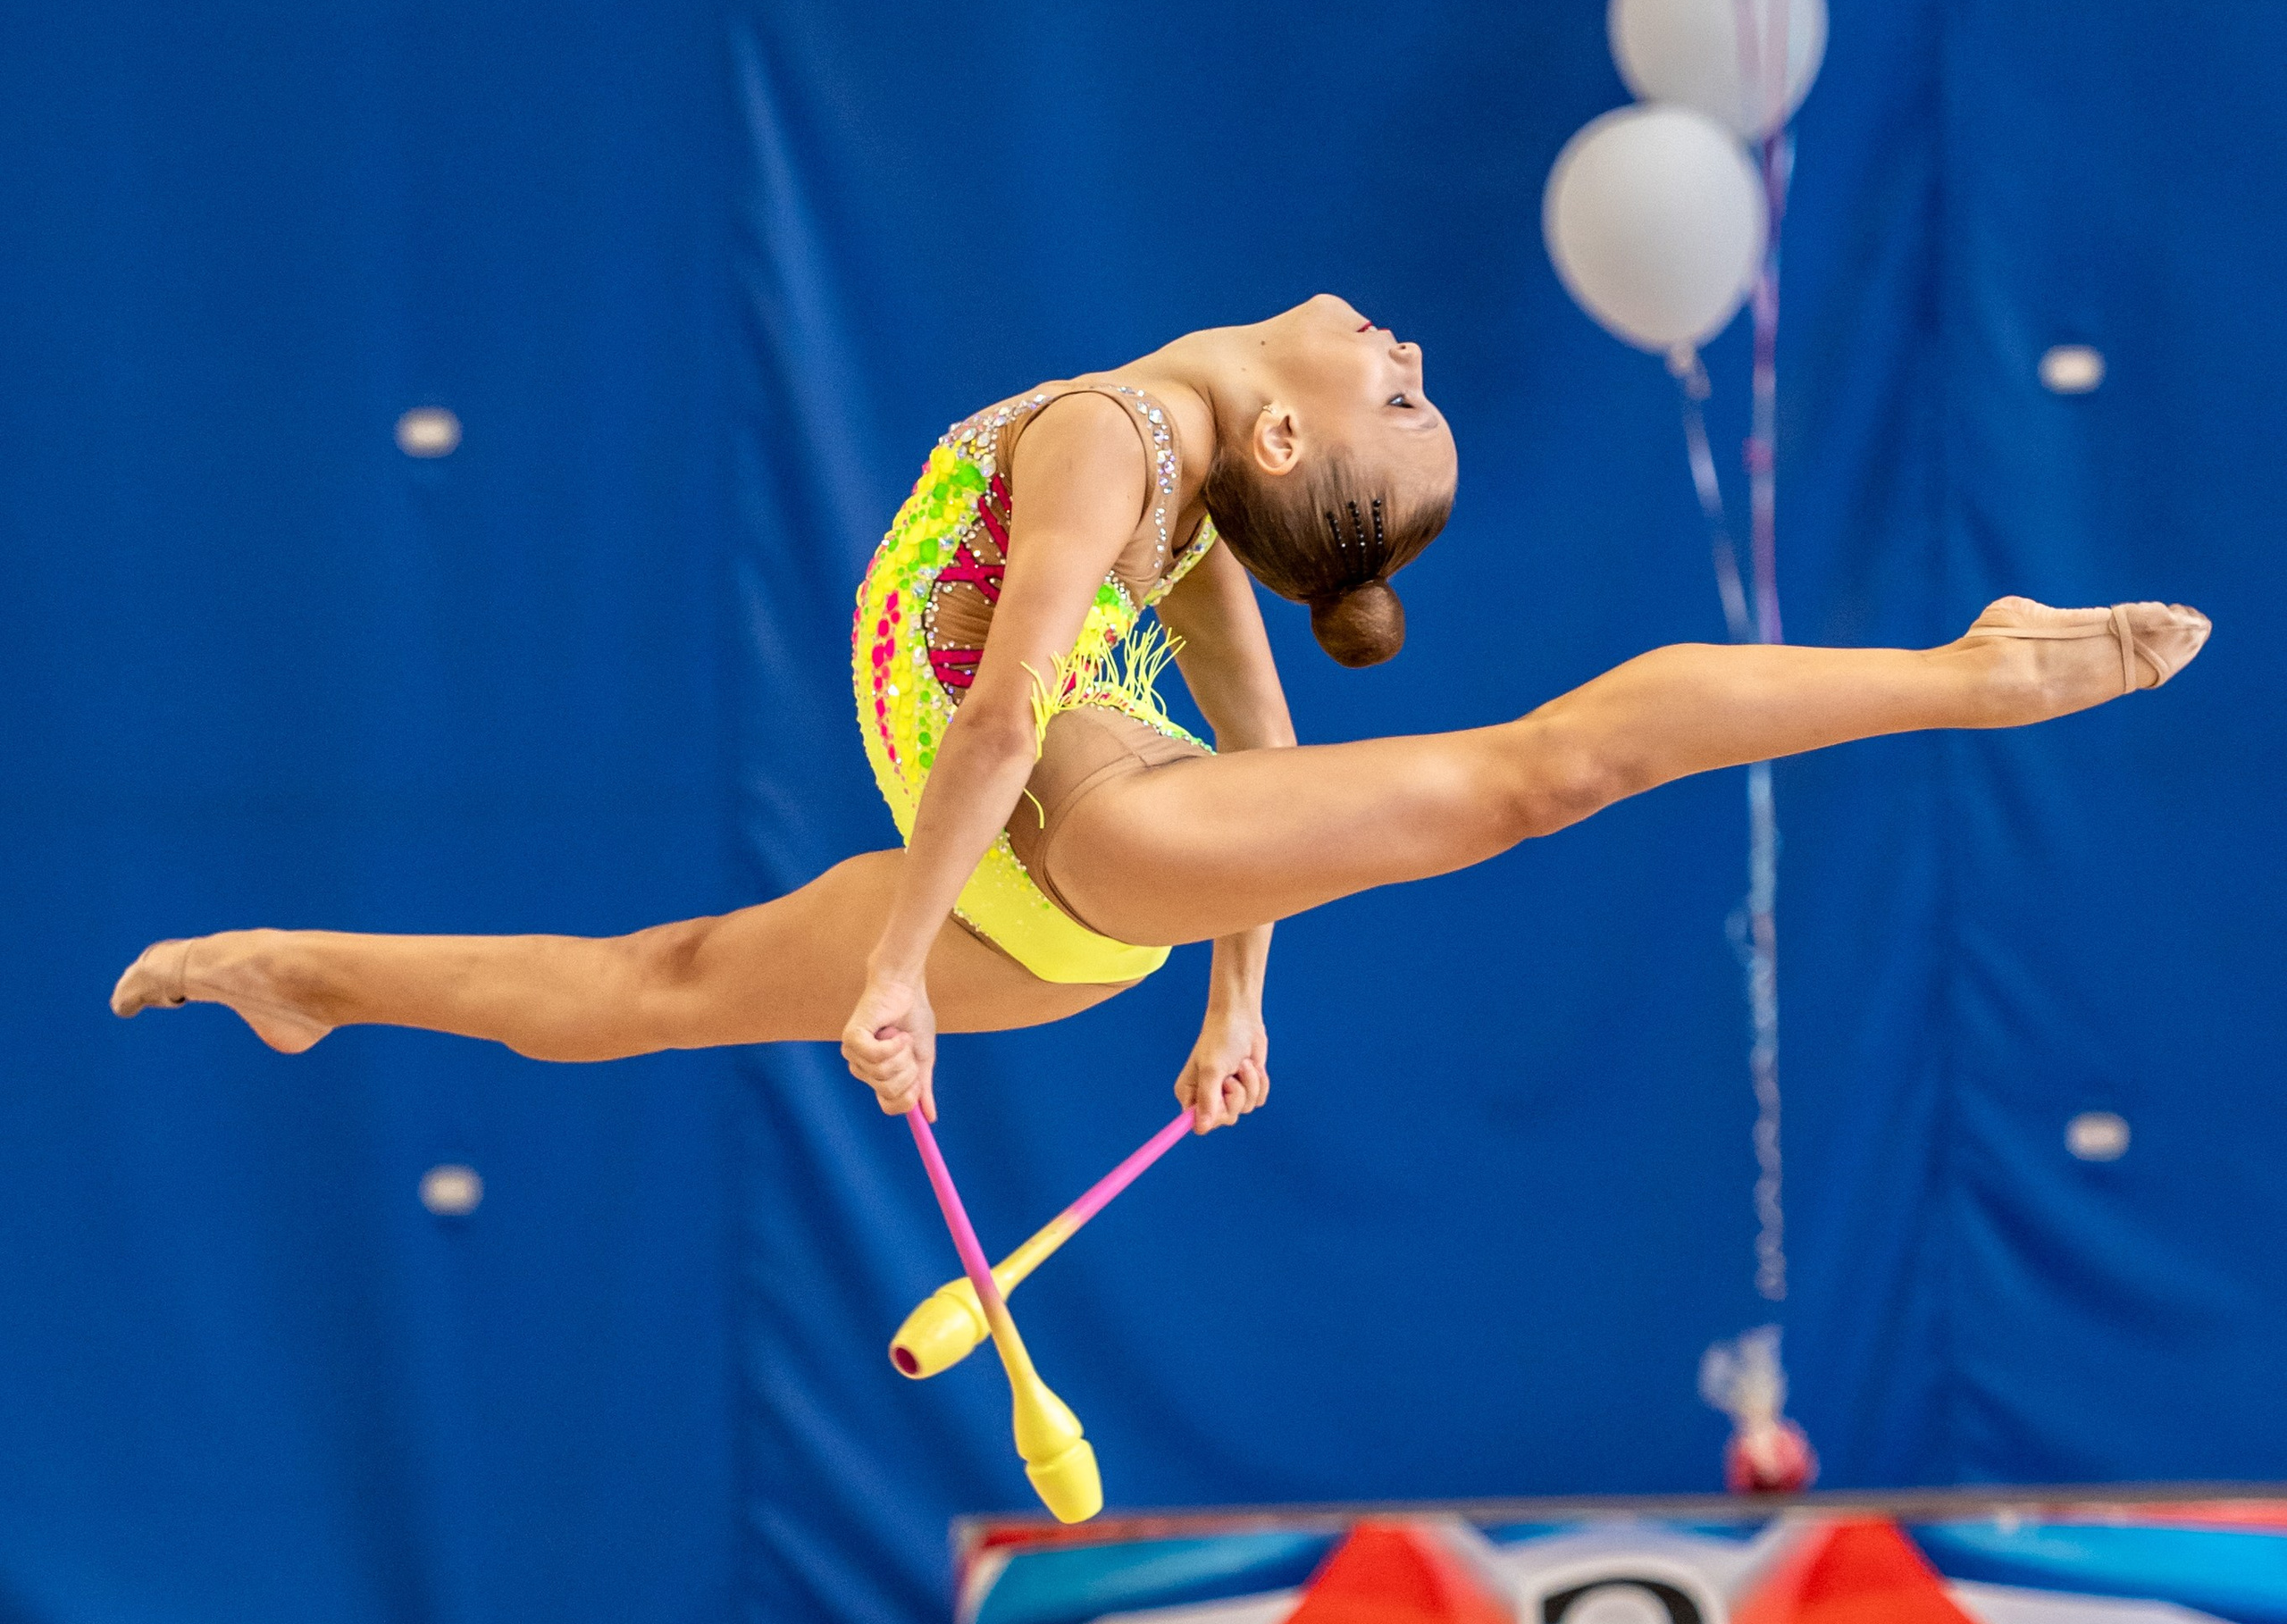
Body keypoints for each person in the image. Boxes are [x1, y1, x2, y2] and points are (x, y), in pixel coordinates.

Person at [112, 292, 2209, 1127]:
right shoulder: (1202, 493)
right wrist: (1226, 1005)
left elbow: (1016, 705)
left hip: (1045, 858)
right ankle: (304, 970)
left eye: (1398, 392)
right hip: (1063, 905)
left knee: (1529, 775)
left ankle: (1961, 670)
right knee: (653, 979)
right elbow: (1264, 782)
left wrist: (923, 965)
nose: (1400, 342)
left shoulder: (1124, 447)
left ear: (1290, 432)